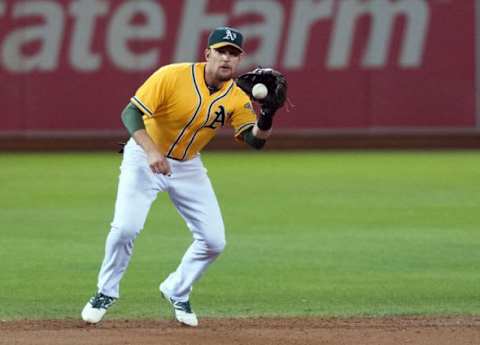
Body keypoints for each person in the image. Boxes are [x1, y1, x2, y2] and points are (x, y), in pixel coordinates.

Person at [81, 26, 284, 327]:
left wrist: (267, 115)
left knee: (214, 241)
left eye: (233, 54)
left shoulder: (237, 96)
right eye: (221, 51)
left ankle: (176, 288)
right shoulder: (172, 75)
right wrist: (151, 151)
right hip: (144, 157)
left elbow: (255, 141)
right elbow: (130, 113)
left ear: (239, 60)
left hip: (188, 166)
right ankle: (105, 291)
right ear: (207, 54)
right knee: (125, 227)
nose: (227, 59)